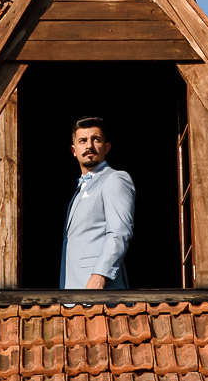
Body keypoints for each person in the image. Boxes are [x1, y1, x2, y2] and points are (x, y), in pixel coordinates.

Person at [60, 116, 136, 289]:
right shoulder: (80, 189)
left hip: (99, 291)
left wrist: (100, 274)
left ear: (107, 147)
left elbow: (119, 232)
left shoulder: (115, 179)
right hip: (74, 292)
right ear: (74, 149)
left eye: (96, 139)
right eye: (82, 140)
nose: (89, 146)